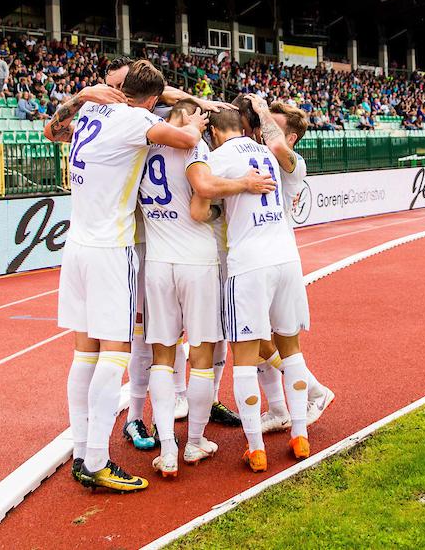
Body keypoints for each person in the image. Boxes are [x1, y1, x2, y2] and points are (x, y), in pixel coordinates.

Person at [44, 59, 207, 493]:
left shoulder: (92, 109)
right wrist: (196, 116)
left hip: (77, 245)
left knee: (84, 354)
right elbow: (188, 137)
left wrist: (81, 96)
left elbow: (52, 131)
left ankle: (82, 451)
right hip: (110, 250)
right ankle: (96, 460)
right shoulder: (136, 119)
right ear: (153, 99)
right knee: (115, 353)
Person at [138, 99, 276, 477]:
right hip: (196, 262)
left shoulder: (144, 146)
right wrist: (245, 184)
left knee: (162, 358)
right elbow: (202, 188)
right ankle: (195, 442)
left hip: (157, 263)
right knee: (202, 357)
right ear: (191, 119)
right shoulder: (195, 146)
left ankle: (167, 448)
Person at [192, 106, 313, 473]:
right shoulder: (272, 153)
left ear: (214, 132)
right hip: (287, 259)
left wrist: (218, 208)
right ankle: (300, 434)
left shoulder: (218, 156)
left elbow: (199, 205)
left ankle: (257, 449)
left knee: (244, 358)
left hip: (249, 264)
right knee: (290, 350)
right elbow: (277, 145)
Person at [239, 96, 336, 434]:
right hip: (254, 256)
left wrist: (264, 112)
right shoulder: (253, 154)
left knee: (268, 341)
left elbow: (276, 145)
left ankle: (315, 390)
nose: (264, 131)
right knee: (256, 339)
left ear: (290, 137)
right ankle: (278, 408)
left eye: (272, 127)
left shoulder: (293, 161)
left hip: (275, 257)